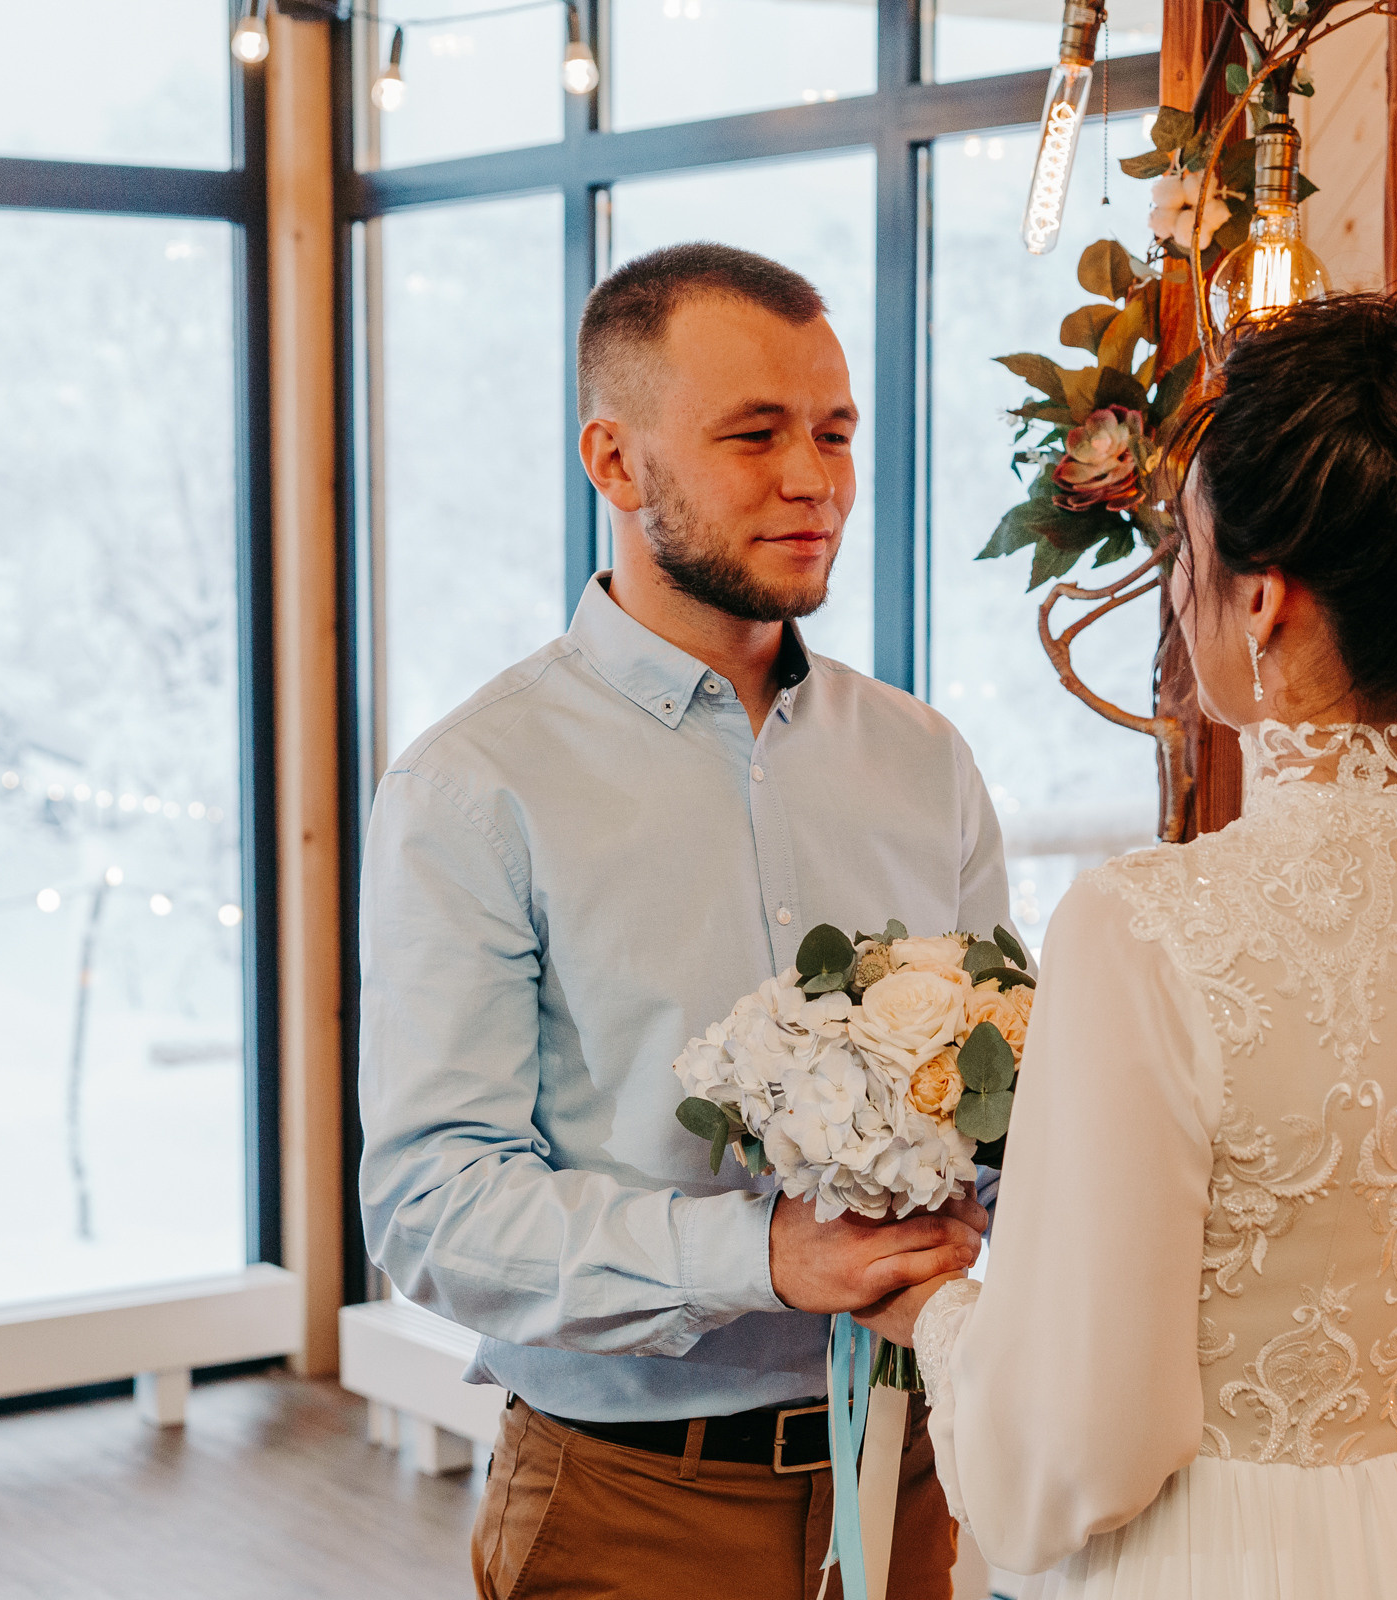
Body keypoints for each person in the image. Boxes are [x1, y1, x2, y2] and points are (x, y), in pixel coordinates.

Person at [858, 276, 1397, 1598]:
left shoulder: (1154, 932)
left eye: (1188, 563)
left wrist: (943, 1317)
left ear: (1261, 602)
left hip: (1220, 1559)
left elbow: (1077, 1448)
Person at [359, 242, 1010, 1600]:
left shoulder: (924, 760)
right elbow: (431, 1209)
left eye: (833, 431)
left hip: (919, 1477)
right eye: (754, 435)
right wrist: (763, 1258)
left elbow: (1000, 1106)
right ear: (615, 462)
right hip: (628, 1509)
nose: (814, 478)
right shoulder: (476, 785)